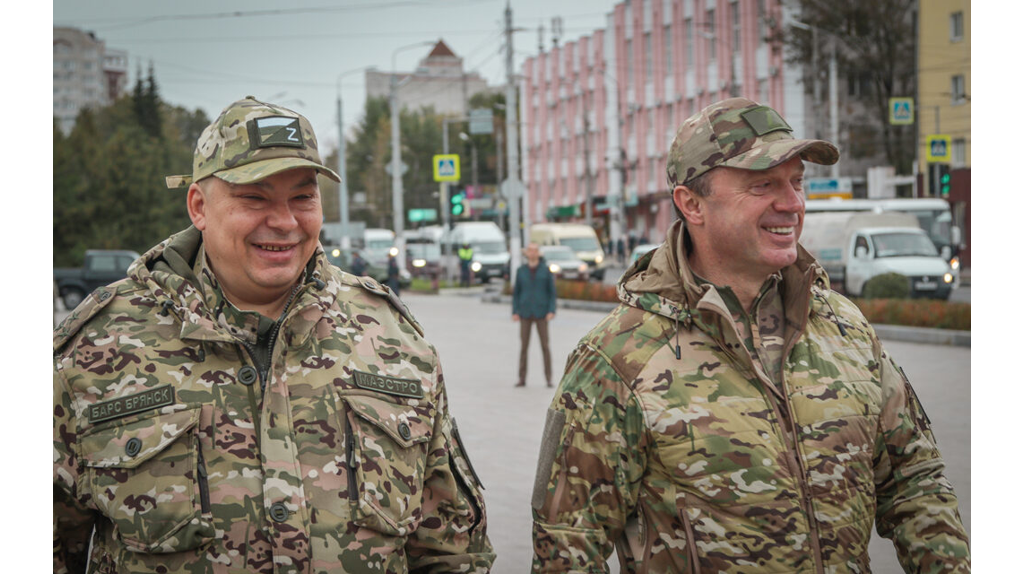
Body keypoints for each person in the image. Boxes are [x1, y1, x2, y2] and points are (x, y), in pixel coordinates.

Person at [54, 96, 494, 574]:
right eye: (255, 197)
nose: (284, 222)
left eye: (302, 197)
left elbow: (450, 550)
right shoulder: (98, 347)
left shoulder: (391, 338)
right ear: (199, 206)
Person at [530, 98, 969, 572]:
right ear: (692, 204)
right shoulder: (616, 357)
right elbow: (567, 548)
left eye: (797, 182)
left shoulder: (846, 328)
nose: (793, 203)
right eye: (763, 184)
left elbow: (915, 481)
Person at [512, 243, 556, 388]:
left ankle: (549, 378)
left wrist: (551, 310)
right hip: (525, 313)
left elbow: (552, 293)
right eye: (530, 251)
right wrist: (515, 311)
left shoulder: (545, 270)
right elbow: (516, 293)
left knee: (545, 346)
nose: (532, 253)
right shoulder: (521, 271)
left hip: (542, 313)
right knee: (524, 346)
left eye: (535, 251)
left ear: (538, 253)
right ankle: (522, 378)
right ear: (527, 253)